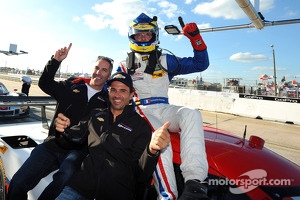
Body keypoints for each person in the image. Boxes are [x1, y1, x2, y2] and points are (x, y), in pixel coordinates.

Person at [118, 13, 209, 199]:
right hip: (139, 110)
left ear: (154, 36)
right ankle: (168, 196)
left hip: (164, 108)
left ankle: (194, 184)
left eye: (148, 34)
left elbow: (201, 64)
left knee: (192, 114)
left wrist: (196, 39)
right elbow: (110, 90)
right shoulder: (123, 65)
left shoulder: (166, 60)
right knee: (162, 143)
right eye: (139, 34)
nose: (143, 38)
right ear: (132, 36)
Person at [7, 43, 113, 200]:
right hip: (52, 145)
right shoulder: (73, 84)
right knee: (18, 183)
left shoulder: (108, 100)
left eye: (104, 70)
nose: (99, 72)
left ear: (109, 76)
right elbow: (44, 83)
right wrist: (55, 61)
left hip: (78, 152)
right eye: (97, 67)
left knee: (64, 178)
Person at [54, 72, 171, 200]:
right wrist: (62, 131)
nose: (117, 95)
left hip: (116, 194)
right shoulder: (95, 115)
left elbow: (141, 175)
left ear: (131, 95)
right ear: (108, 92)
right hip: (80, 188)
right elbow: (70, 140)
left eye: (123, 91)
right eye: (113, 90)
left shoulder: (140, 126)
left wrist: (152, 150)